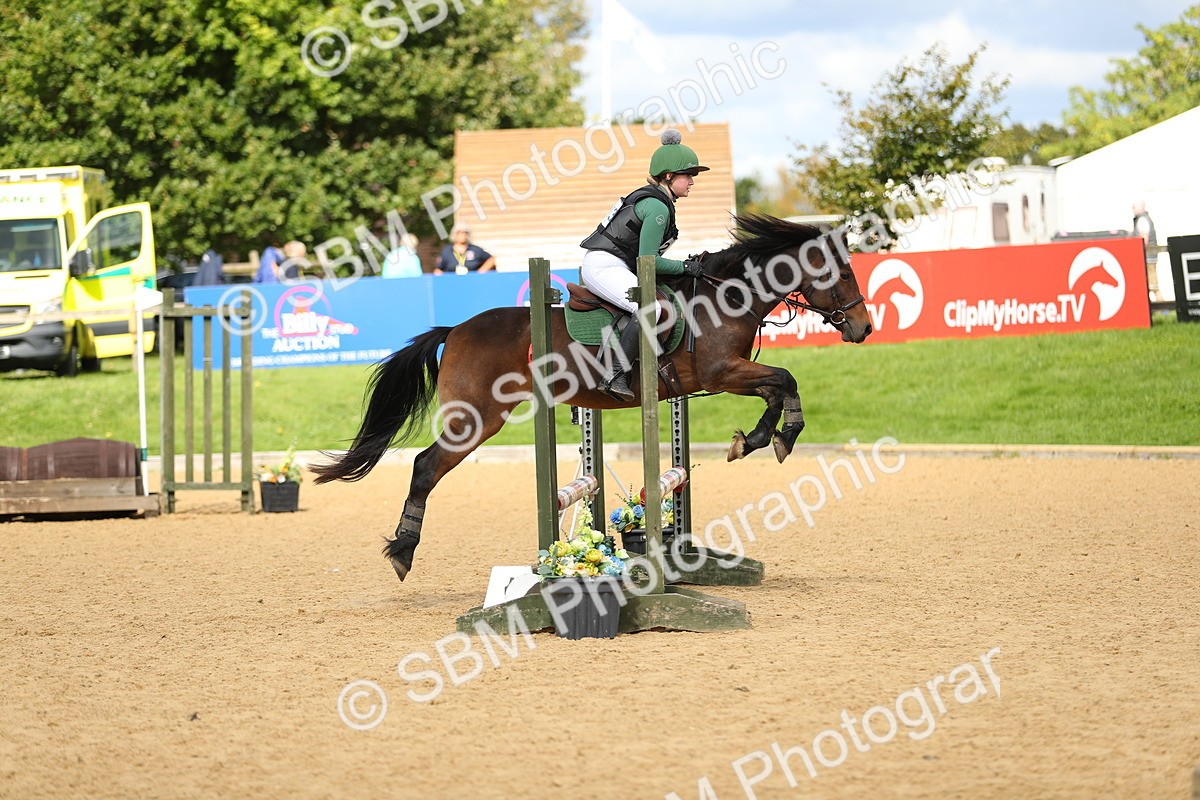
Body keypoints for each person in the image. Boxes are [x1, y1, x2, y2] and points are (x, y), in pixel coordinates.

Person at [578, 128, 707, 400]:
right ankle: (615, 373)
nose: (692, 182)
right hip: (604, 266)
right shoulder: (657, 207)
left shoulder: (659, 201)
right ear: (669, 176)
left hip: (614, 264)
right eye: (688, 176)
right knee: (650, 308)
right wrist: (685, 267)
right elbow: (648, 262)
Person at [1132, 201, 1160, 302]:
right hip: (1150, 256)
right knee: (1149, 284)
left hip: (1148, 257)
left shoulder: (1142, 220)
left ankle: (1163, 309)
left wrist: (1139, 254)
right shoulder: (1144, 219)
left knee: (1153, 285)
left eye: (1134, 207)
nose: (1133, 209)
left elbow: (1144, 240)